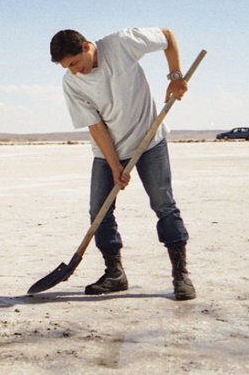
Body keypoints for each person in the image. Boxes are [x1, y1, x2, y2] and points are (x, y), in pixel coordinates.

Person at [49, 27, 196, 301]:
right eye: (66, 68)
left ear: (85, 48)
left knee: (163, 204)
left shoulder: (121, 44)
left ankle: (181, 274)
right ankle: (115, 274)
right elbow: (95, 126)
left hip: (148, 141)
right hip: (107, 150)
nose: (73, 71)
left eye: (74, 64)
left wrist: (175, 76)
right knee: (99, 211)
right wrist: (115, 164)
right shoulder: (72, 83)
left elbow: (167, 36)